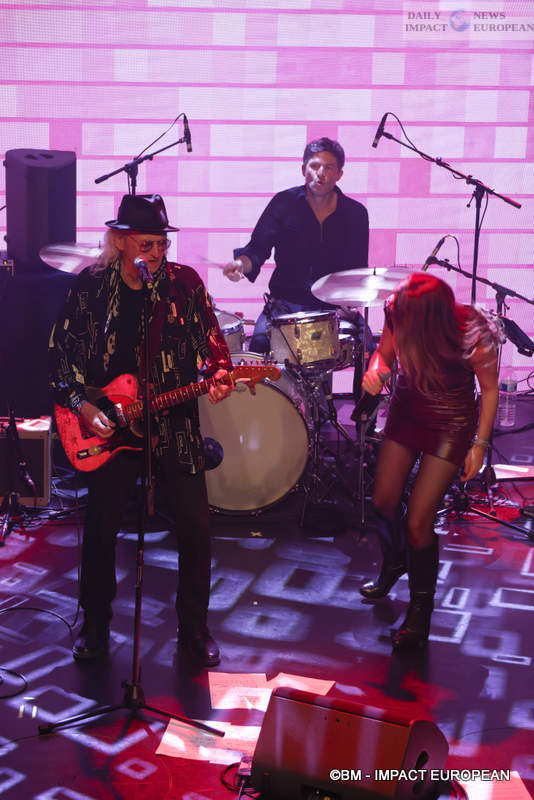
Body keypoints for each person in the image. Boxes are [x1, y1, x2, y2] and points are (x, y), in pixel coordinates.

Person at [49, 193, 233, 667]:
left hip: (173, 422)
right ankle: (95, 625)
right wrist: (82, 408)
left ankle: (194, 630)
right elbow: (60, 359)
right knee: (101, 527)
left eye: (161, 245)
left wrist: (219, 375)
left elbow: (214, 349)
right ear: (118, 241)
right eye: (145, 244)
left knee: (196, 527)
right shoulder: (90, 288)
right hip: (109, 426)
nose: (154, 254)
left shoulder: (183, 285)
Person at [360, 272, 501, 649]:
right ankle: (395, 562)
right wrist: (375, 372)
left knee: (419, 520)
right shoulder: (397, 310)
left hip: (451, 421)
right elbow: (384, 355)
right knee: (384, 501)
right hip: (408, 409)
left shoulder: (472, 331)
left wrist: (479, 445)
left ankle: (420, 610)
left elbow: (489, 390)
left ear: (433, 316)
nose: (399, 317)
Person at [223, 137, 371, 403]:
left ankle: (363, 420)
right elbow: (256, 249)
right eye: (314, 166)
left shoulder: (356, 213)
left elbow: (357, 271)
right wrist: (241, 265)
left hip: (332, 308)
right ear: (304, 169)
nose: (320, 173)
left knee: (369, 348)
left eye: (328, 167)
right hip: (285, 304)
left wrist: (350, 304)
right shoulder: (284, 203)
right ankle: (264, 411)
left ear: (339, 173)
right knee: (258, 347)